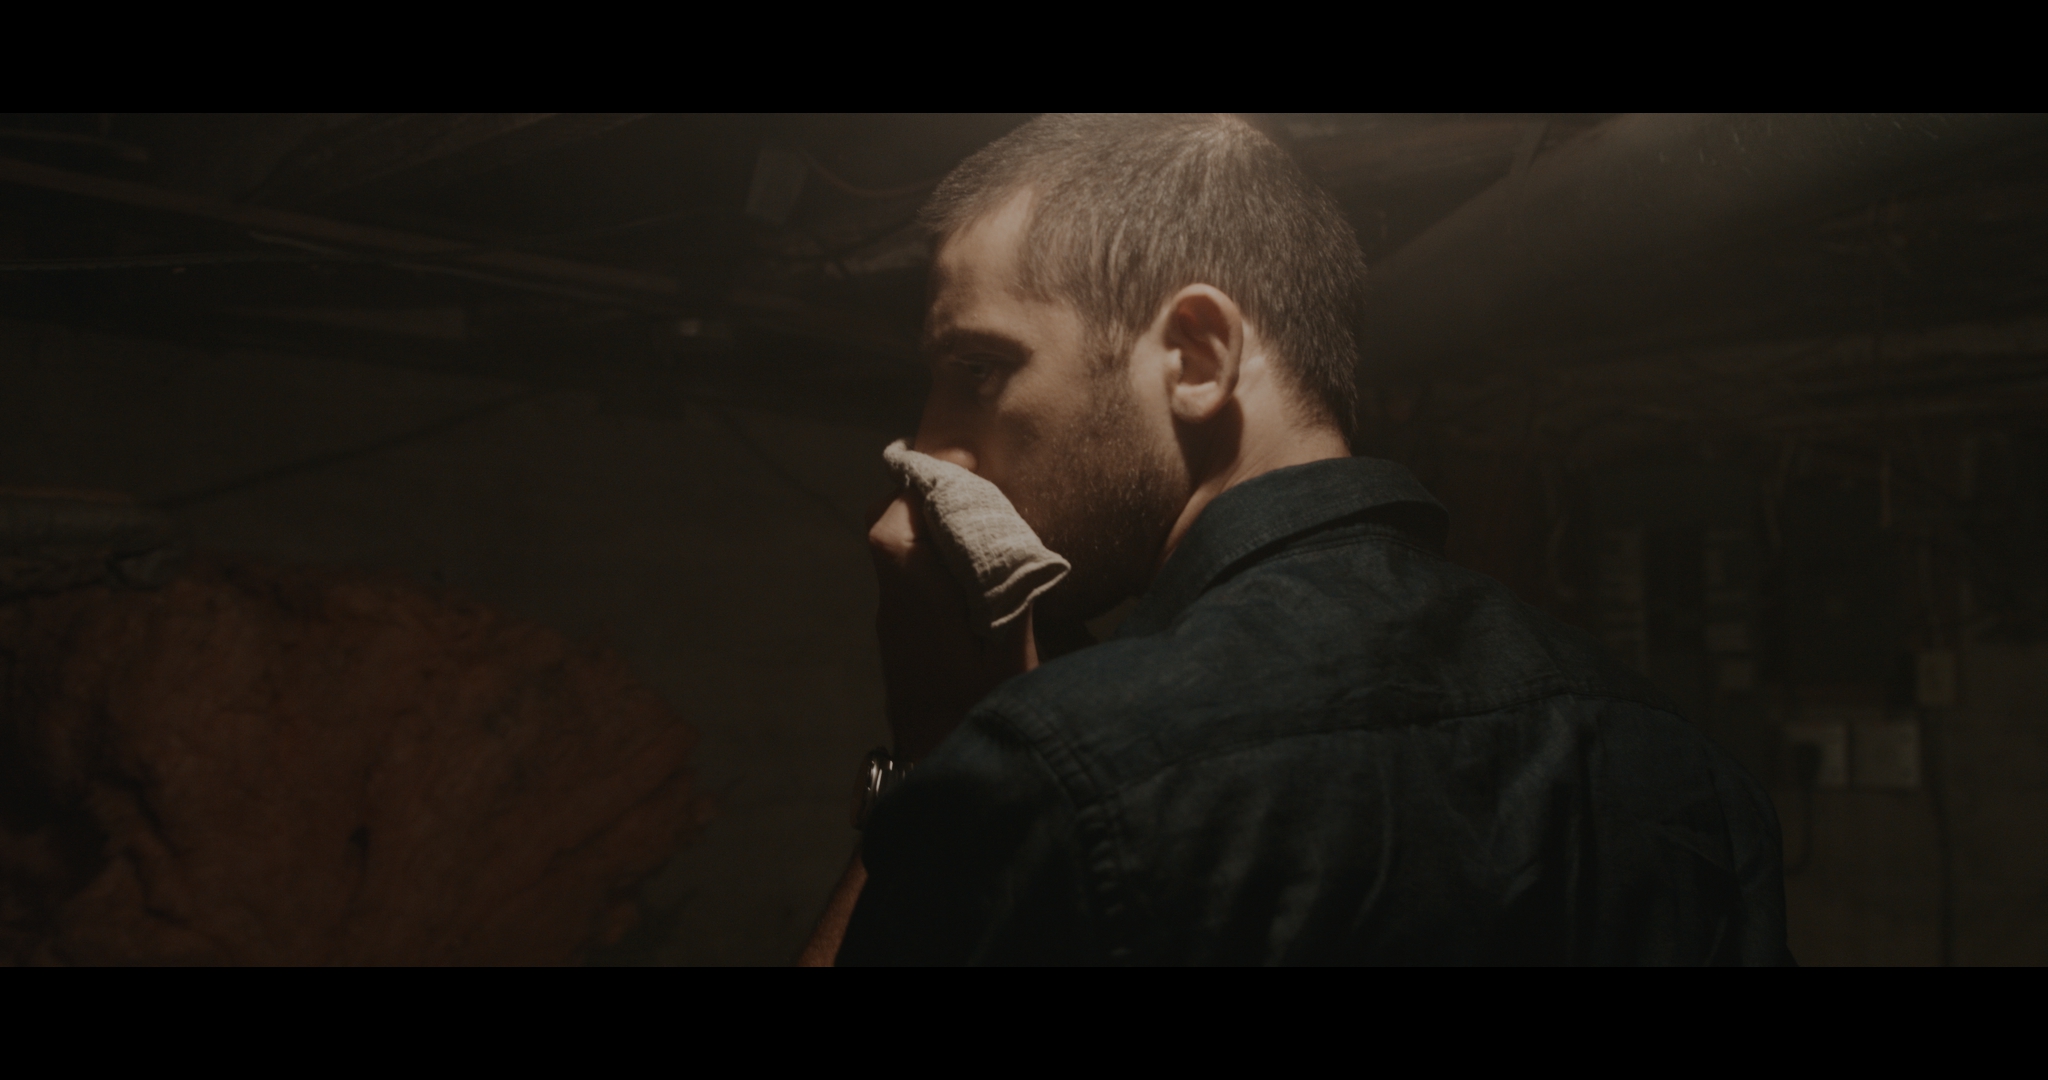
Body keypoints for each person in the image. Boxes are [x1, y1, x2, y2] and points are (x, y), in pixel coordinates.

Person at [798, 114, 1791, 966]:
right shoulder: (1677, 764)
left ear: (1196, 358)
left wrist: (935, 753)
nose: (932, 446)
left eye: (978, 369)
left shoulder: (1063, 765)